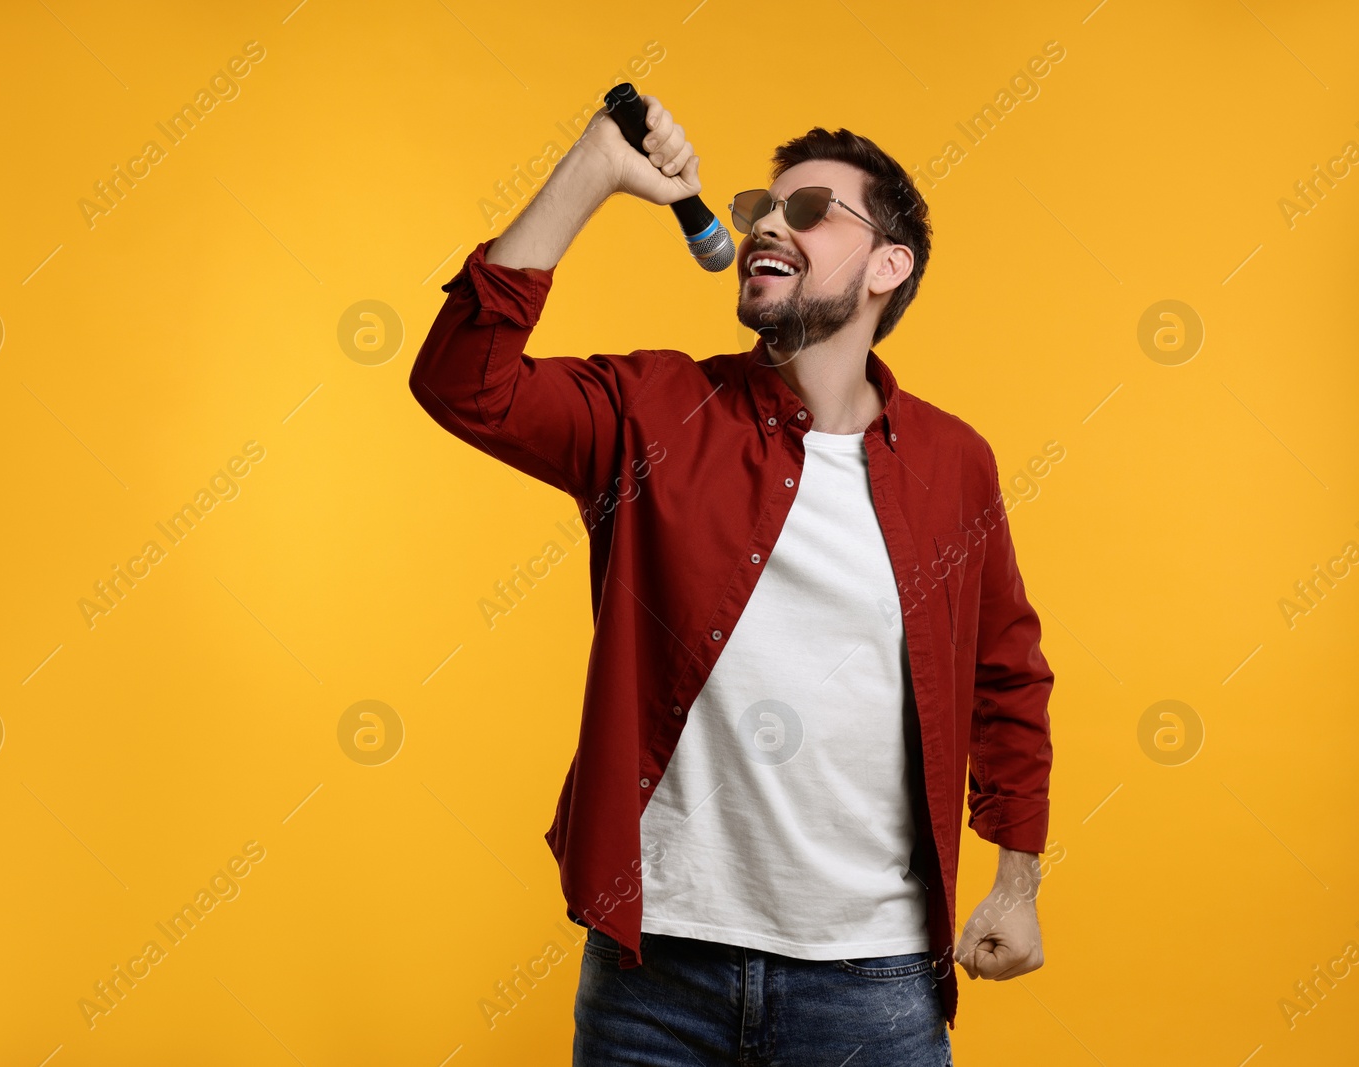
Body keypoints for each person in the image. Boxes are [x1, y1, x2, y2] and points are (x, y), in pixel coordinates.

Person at [409, 93, 1055, 1066]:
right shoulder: (653, 409)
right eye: (761, 204)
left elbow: (1004, 677)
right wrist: (593, 169)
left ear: (890, 265)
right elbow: (464, 381)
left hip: (872, 985)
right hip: (654, 978)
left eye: (808, 211)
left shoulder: (953, 461)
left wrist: (1015, 880)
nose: (763, 222)